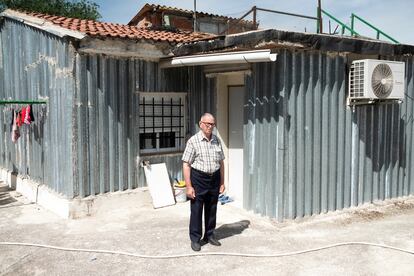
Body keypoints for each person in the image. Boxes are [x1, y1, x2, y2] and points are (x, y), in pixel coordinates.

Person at [182, 113, 225, 251]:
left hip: (214, 178)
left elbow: (221, 162)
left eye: (212, 124)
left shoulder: (217, 141)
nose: (210, 126)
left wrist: (222, 182)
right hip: (199, 179)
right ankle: (195, 238)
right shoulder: (193, 141)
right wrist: (189, 186)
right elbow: (186, 164)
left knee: (212, 208)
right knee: (196, 209)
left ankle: (209, 235)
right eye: (207, 124)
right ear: (201, 124)